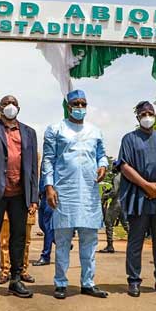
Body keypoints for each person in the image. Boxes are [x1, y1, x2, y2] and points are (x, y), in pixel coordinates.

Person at [42, 89, 109, 300]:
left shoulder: (95, 131)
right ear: (68, 106)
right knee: (62, 240)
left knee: (89, 240)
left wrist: (103, 165)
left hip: (88, 192)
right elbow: (48, 160)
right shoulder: (55, 129)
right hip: (64, 191)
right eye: (76, 104)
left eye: (83, 104)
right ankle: (61, 283)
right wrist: (49, 187)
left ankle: (88, 283)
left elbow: (101, 154)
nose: (80, 107)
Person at [0, 95, 39, 300]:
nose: (10, 107)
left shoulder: (29, 132)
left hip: (21, 194)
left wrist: (34, 197)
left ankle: (15, 279)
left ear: (19, 108)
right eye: (6, 104)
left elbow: (33, 169)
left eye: (14, 104)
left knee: (19, 236)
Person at [117, 101, 156, 297]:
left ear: (155, 115)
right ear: (138, 117)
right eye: (143, 113)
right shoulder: (129, 139)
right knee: (135, 241)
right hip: (139, 195)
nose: (147, 116)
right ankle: (134, 280)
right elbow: (124, 166)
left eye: (150, 113)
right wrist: (146, 185)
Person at [0, 212, 36, 283]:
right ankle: (5, 271)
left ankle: (23, 270)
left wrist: (34, 201)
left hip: (27, 208)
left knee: (25, 242)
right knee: (4, 242)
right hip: (5, 208)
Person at [100, 161, 127, 253]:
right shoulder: (126, 177)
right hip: (124, 203)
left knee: (108, 223)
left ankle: (110, 245)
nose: (112, 168)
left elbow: (114, 192)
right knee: (126, 225)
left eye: (114, 166)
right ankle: (135, 244)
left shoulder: (116, 178)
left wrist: (105, 196)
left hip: (116, 203)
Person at [32, 173, 54, 266]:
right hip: (42, 194)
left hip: (51, 193)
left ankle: (45, 256)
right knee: (42, 224)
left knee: (47, 225)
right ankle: (60, 241)